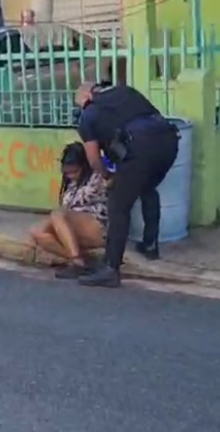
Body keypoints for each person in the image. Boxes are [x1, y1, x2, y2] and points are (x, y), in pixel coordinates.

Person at [73, 82, 179, 288]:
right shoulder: (125, 91)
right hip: (169, 141)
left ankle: (111, 268)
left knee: (118, 205)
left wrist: (107, 176)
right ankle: (150, 244)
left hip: (140, 146)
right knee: (147, 187)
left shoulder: (89, 114)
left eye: (79, 104)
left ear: (86, 97)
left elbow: (94, 160)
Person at [30, 142, 109, 279]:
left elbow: (80, 201)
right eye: (67, 173)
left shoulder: (97, 177)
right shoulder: (70, 184)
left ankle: (77, 261)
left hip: (98, 226)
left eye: (74, 172)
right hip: (74, 229)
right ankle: (82, 261)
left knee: (57, 215)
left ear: (83, 166)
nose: (71, 176)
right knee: (38, 232)